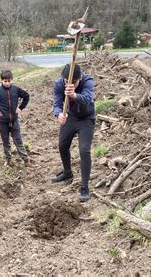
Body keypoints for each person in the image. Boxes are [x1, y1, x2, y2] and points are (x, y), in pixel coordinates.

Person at [52, 64, 95, 202]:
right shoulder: (59, 84)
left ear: (79, 78)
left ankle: (84, 186)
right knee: (62, 146)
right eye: (67, 82)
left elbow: (87, 99)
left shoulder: (88, 81)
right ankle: (67, 172)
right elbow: (57, 103)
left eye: (73, 83)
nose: (69, 84)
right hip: (70, 117)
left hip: (86, 119)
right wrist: (58, 114)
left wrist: (74, 95)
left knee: (84, 151)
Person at [0, 70, 31, 167]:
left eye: (9, 81)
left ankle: (26, 161)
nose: (7, 83)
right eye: (5, 81)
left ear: (11, 80)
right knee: (6, 142)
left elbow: (26, 96)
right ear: (1, 81)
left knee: (18, 140)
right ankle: (8, 160)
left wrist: (20, 107)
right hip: (3, 122)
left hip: (14, 121)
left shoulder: (16, 89)